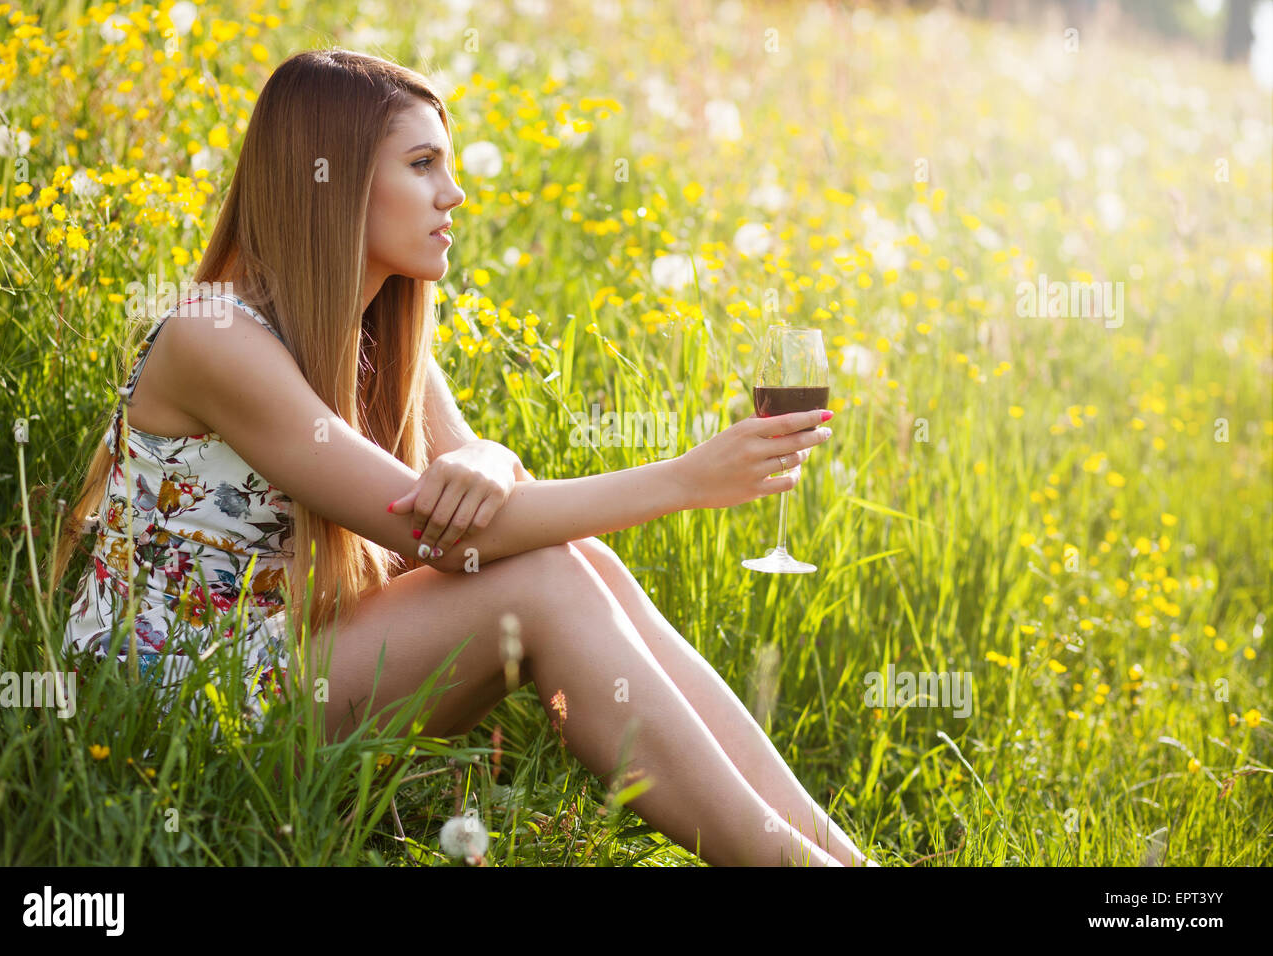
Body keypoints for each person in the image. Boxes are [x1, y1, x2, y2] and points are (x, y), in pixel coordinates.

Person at [51, 48, 875, 868]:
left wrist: (493, 455)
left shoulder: (374, 329)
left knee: (575, 560)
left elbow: (481, 501)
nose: (455, 193)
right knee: (543, 583)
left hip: (276, 662)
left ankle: (842, 859)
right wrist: (688, 481)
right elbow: (435, 536)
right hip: (171, 709)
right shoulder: (215, 334)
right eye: (421, 165)